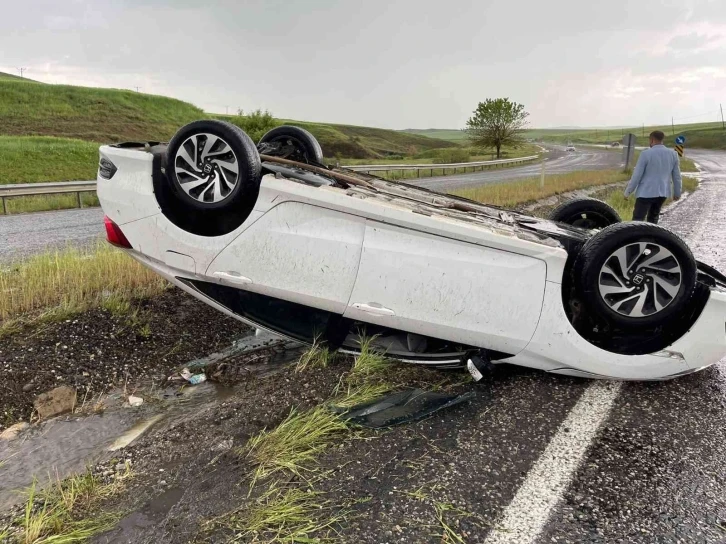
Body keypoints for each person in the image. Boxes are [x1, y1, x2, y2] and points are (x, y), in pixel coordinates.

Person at [623, 130, 682, 224]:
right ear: (662, 139)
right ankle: (651, 237)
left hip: (645, 193)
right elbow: (677, 176)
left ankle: (637, 238)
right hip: (663, 193)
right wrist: (677, 193)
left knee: (637, 220)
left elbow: (637, 175)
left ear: (651, 140)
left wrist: (628, 192)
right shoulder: (673, 154)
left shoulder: (645, 154)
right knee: (653, 219)